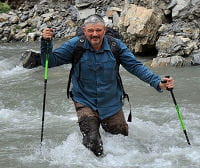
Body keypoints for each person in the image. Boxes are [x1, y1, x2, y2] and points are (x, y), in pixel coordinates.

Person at [41, 14, 174, 157]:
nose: (94, 34)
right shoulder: (75, 46)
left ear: (104, 30)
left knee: (122, 143)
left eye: (98, 30)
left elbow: (136, 67)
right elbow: (49, 61)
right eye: (91, 31)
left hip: (111, 103)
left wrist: (158, 83)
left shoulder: (116, 46)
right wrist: (46, 43)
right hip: (85, 101)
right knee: (92, 142)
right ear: (84, 31)